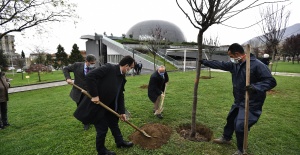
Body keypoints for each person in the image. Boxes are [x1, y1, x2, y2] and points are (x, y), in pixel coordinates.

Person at [200, 43, 277, 155]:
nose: (230, 59)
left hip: (252, 102)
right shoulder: (235, 65)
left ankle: (241, 150)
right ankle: (226, 138)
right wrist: (204, 62)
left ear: (237, 54)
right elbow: (220, 64)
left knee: (240, 125)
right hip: (239, 100)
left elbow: (271, 81)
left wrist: (255, 87)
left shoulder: (257, 65)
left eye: (231, 56)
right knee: (231, 119)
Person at [84, 55, 135, 155]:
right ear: (126, 66)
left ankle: (119, 142)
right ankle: (101, 151)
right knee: (102, 129)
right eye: (131, 68)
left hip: (111, 106)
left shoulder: (122, 77)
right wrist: (95, 95)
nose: (131, 70)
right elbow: (90, 76)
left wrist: (122, 111)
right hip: (99, 105)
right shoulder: (109, 68)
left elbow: (120, 94)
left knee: (114, 124)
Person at [63, 54, 97, 130]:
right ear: (86, 61)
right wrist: (68, 78)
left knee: (90, 107)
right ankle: (85, 123)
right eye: (91, 63)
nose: (93, 65)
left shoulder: (95, 69)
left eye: (94, 63)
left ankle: (91, 120)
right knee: (81, 107)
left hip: (89, 92)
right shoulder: (77, 65)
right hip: (78, 92)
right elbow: (65, 69)